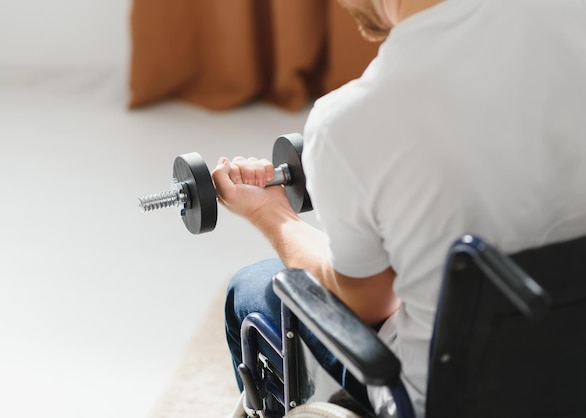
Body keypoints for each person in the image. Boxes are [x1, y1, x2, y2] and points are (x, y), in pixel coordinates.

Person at [211, 0, 586, 416]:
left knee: (253, 287)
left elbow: (368, 304)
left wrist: (271, 213)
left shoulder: (351, 119)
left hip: (455, 399)